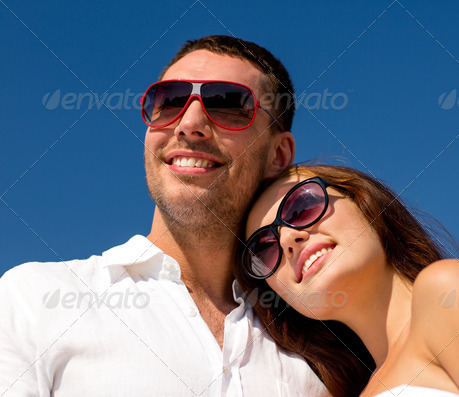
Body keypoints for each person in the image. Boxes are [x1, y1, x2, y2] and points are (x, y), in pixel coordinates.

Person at [0, 36, 329, 396]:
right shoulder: (34, 297)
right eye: (169, 100)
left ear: (278, 154)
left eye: (227, 103)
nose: (188, 123)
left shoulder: (320, 347)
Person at [236, 164, 459, 397]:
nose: (287, 240)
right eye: (263, 249)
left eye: (301, 207)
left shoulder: (446, 291)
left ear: (362, 201)